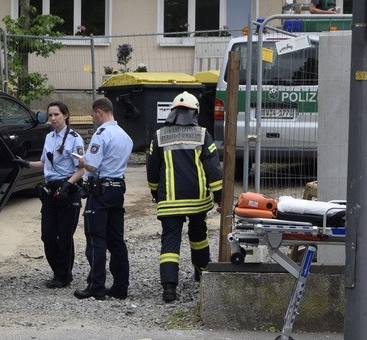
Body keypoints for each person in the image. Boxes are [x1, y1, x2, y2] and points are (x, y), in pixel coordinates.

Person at [146, 92, 223, 303]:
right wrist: (219, 197)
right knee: (198, 237)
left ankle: (169, 288)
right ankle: (202, 274)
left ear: (172, 112)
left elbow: (152, 170)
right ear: (195, 112)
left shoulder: (159, 136)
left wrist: (155, 192)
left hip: (170, 201)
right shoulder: (202, 135)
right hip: (197, 201)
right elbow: (213, 169)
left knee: (170, 242)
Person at [73, 97, 133, 301]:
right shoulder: (125, 136)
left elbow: (92, 165)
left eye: (92, 115)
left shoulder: (102, 134)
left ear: (99, 112)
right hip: (117, 190)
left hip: (100, 192)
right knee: (117, 240)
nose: (92, 119)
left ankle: (96, 287)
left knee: (96, 238)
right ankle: (120, 286)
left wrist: (82, 161)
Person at [26, 101, 85, 289]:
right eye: (50, 115)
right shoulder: (49, 137)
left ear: (65, 115)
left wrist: (68, 185)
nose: (52, 119)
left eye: (56, 115)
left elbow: (82, 169)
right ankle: (58, 270)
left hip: (67, 191)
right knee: (48, 235)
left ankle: (63, 275)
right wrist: (25, 164)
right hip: (50, 191)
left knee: (64, 235)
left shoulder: (75, 138)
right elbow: (45, 163)